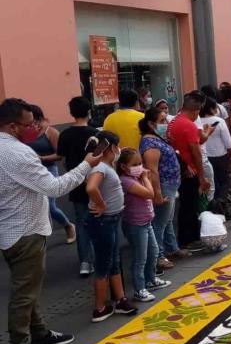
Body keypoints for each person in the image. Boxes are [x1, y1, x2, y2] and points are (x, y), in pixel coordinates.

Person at [0, 98, 98, 344]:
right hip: (26, 231)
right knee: (24, 293)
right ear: (11, 126)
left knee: (27, 288)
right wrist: (87, 164)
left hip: (11, 228)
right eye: (28, 124)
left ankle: (40, 333)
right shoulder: (18, 154)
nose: (34, 127)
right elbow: (55, 188)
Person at [85, 131, 138, 323]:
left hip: (111, 220)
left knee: (113, 260)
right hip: (103, 221)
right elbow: (91, 187)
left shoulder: (106, 165)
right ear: (110, 148)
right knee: (103, 263)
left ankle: (121, 299)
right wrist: (101, 204)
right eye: (117, 146)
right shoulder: (100, 167)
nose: (119, 150)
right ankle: (100, 307)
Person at [117, 148, 171, 303]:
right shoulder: (126, 181)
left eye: (140, 163)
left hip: (146, 222)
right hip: (135, 224)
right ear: (123, 166)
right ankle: (139, 289)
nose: (139, 167)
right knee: (140, 258)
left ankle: (150, 279)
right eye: (135, 164)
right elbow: (149, 193)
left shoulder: (137, 178)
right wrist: (146, 177)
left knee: (153, 252)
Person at [139, 108, 187, 272]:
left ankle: (172, 248)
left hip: (170, 185)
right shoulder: (150, 143)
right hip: (164, 186)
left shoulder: (158, 139)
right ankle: (158, 256)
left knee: (168, 220)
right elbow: (153, 170)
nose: (166, 124)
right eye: (162, 121)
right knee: (160, 222)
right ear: (151, 124)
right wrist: (157, 194)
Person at [57, 96, 98, 277]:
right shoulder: (94, 133)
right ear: (89, 111)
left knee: (81, 223)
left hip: (76, 183)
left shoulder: (65, 134)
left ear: (71, 113)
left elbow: (63, 159)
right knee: (98, 221)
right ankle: (99, 258)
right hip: (95, 182)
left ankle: (85, 262)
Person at [25, 105, 76, 245]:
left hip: (49, 171)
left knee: (50, 207)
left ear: (38, 118)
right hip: (31, 172)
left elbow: (59, 155)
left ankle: (68, 225)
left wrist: (42, 158)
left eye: (32, 120)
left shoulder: (50, 132)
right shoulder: (26, 133)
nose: (30, 124)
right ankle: (40, 237)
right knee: (35, 206)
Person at [168, 92, 212, 249]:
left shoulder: (173, 122)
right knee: (190, 205)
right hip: (189, 171)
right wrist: (202, 177)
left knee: (185, 206)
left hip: (178, 170)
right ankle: (190, 239)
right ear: (196, 110)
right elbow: (196, 152)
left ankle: (185, 238)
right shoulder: (189, 125)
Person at [200, 97, 231, 209]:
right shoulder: (220, 122)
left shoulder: (198, 122)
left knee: (212, 183)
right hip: (221, 156)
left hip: (205, 157)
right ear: (211, 108)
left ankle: (213, 204)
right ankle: (221, 202)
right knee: (224, 181)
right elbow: (228, 143)